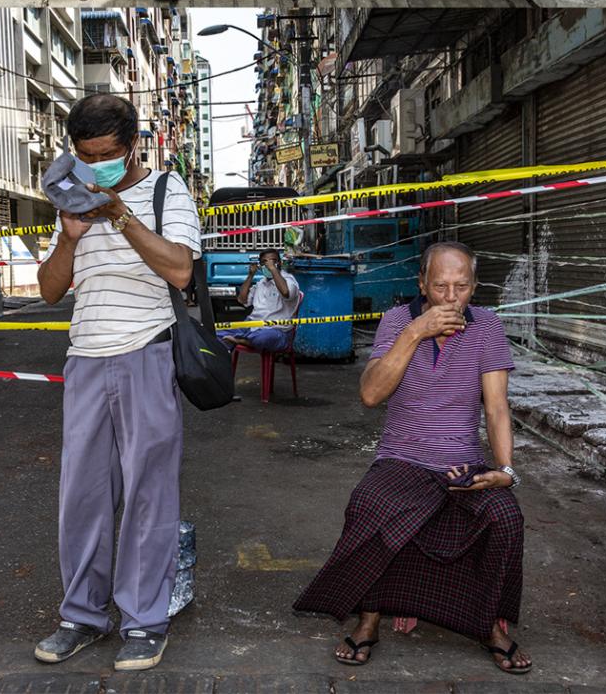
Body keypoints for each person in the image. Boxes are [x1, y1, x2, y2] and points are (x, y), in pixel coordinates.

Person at [294, 242, 531, 675]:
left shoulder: (488, 328)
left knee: (504, 518)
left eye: (461, 287)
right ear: (422, 284)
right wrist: (415, 332)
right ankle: (369, 619)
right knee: (369, 504)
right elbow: (370, 394)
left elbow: (497, 408)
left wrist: (504, 470)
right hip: (401, 459)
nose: (450, 297)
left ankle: (489, 626)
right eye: (440, 286)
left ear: (474, 288)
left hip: (461, 465)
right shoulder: (396, 322)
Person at [34, 93, 201, 673]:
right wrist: (70, 236)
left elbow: (181, 269)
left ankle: (144, 621)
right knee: (80, 498)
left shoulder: (165, 191)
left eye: (106, 155)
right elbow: (50, 291)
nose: (94, 164)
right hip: (84, 359)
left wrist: (119, 215)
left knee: (149, 497)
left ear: (132, 146)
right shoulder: (70, 196)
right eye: (84, 154)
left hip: (146, 356)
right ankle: (81, 615)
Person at [218, 248, 300, 354]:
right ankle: (242, 340)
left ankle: (239, 340)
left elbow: (286, 292)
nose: (268, 265)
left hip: (276, 330)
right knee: (216, 333)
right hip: (252, 326)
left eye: (272, 261)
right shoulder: (261, 283)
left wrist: (273, 270)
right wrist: (250, 275)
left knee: (264, 338)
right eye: (264, 263)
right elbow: (242, 300)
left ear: (279, 263)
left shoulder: (289, 280)